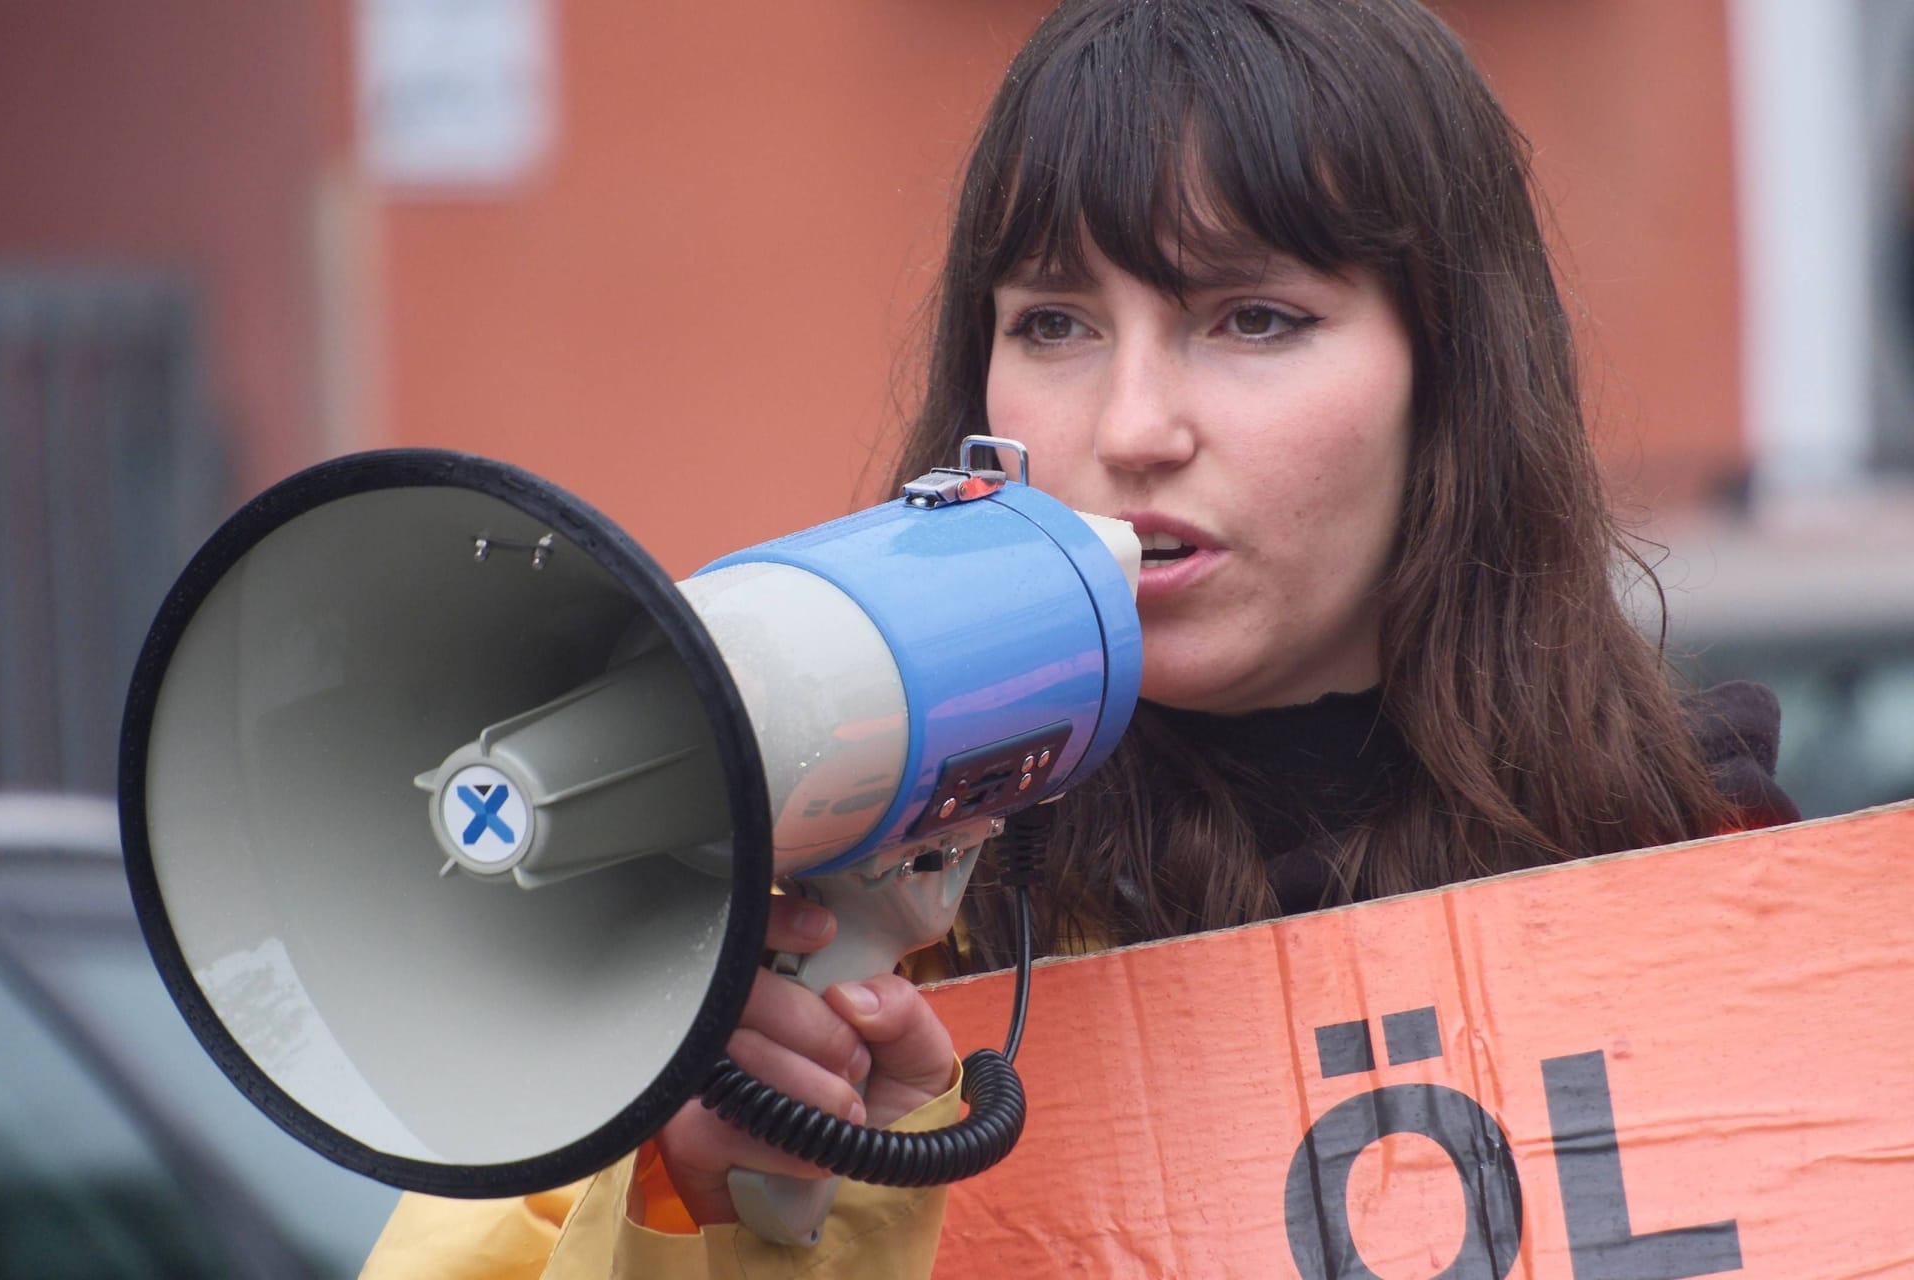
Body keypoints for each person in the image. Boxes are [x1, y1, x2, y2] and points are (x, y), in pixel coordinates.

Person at [360, 0, 1798, 1274]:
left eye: (1254, 318)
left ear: (1454, 381)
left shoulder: (1710, 877)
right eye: (1054, 323)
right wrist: (712, 1211)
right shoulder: (781, 932)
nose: (1131, 430)